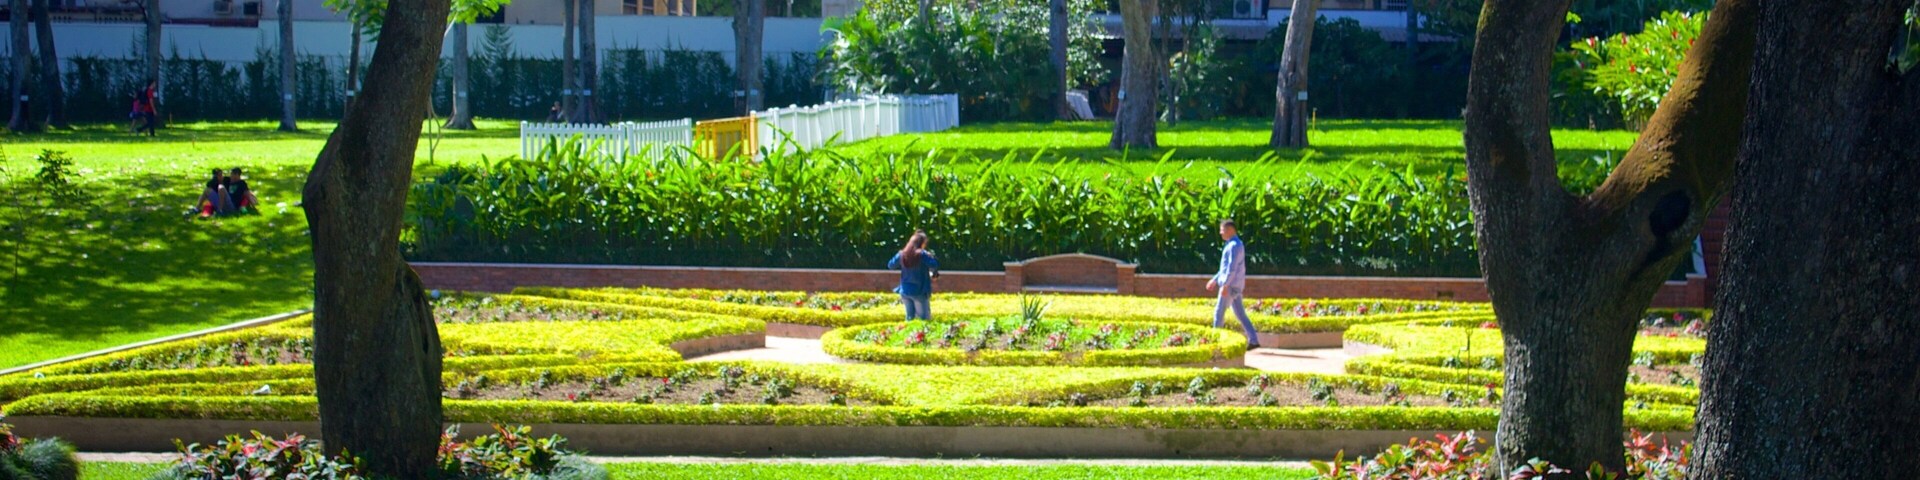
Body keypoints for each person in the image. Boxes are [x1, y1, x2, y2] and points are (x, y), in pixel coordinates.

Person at [1206, 219, 1260, 349]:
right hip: (1233, 285)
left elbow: (1232, 268)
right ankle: (1254, 340)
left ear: (1230, 230)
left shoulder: (1234, 246)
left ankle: (1215, 343)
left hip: (1230, 286)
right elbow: (1224, 269)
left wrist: (1225, 285)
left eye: (1222, 230)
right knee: (1240, 314)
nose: (1220, 233)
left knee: (1218, 313)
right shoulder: (1232, 244)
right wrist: (1214, 280)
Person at [887, 230, 940, 320]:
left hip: (905, 290)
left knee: (909, 318)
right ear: (921, 243)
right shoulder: (921, 254)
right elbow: (934, 264)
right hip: (919, 290)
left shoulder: (902, 254)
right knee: (923, 319)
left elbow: (890, 265)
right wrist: (929, 256)